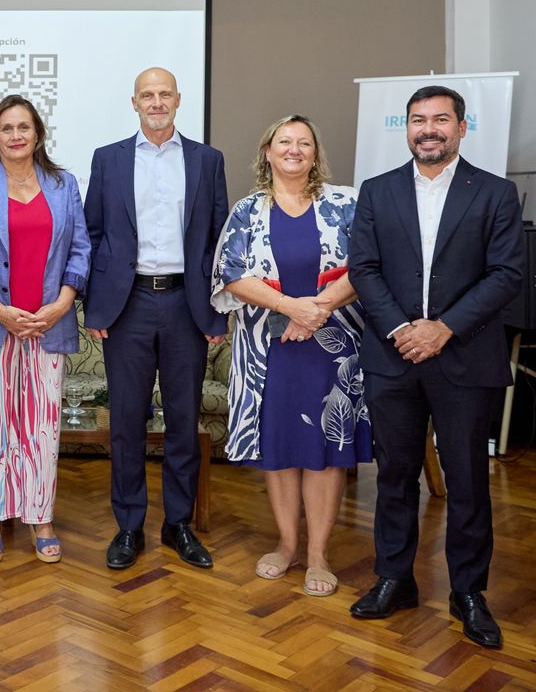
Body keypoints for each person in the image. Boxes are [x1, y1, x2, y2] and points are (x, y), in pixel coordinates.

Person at [348, 86, 522, 649]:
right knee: (394, 475)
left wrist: (443, 328)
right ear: (406, 128)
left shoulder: (495, 192)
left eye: (441, 119)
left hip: (464, 357)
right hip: (393, 355)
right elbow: (364, 268)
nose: (429, 129)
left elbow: (506, 273)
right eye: (418, 119)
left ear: (462, 128)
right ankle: (394, 579)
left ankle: (468, 592)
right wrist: (403, 329)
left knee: (467, 480)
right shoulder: (377, 191)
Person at [211, 115, 369, 596]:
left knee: (325, 449)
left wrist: (315, 310)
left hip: (333, 348)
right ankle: (286, 544)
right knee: (278, 449)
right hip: (268, 350)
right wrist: (289, 308)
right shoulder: (247, 211)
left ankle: (318, 553)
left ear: (315, 153)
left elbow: (367, 264)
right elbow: (230, 272)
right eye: (284, 141)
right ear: (268, 151)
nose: (294, 149)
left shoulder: (345, 204)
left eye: (304, 142)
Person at [83, 67, 228, 571]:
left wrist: (214, 311)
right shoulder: (108, 159)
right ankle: (129, 525)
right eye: (148, 95)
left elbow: (217, 240)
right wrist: (97, 305)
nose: (157, 102)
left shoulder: (208, 160)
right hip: (129, 305)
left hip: (187, 304)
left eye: (165, 94)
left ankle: (178, 524)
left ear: (178, 100)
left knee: (183, 420)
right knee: (127, 420)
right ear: (134, 103)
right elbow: (93, 235)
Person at [0, 95, 90, 564]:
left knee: (43, 427)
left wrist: (61, 305)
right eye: (6, 128)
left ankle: (41, 516)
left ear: (38, 134)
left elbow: (81, 249)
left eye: (24, 127)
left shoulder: (63, 184)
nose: (16, 135)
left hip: (47, 324)